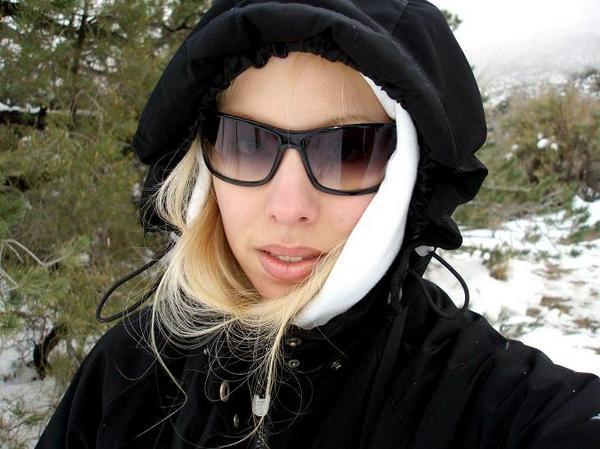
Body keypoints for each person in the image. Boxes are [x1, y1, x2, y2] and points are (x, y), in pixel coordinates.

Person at [36, 1, 600, 448]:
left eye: (348, 151)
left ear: (406, 176)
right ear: (204, 163)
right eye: (247, 142)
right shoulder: (130, 370)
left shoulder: (487, 398)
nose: (288, 207)